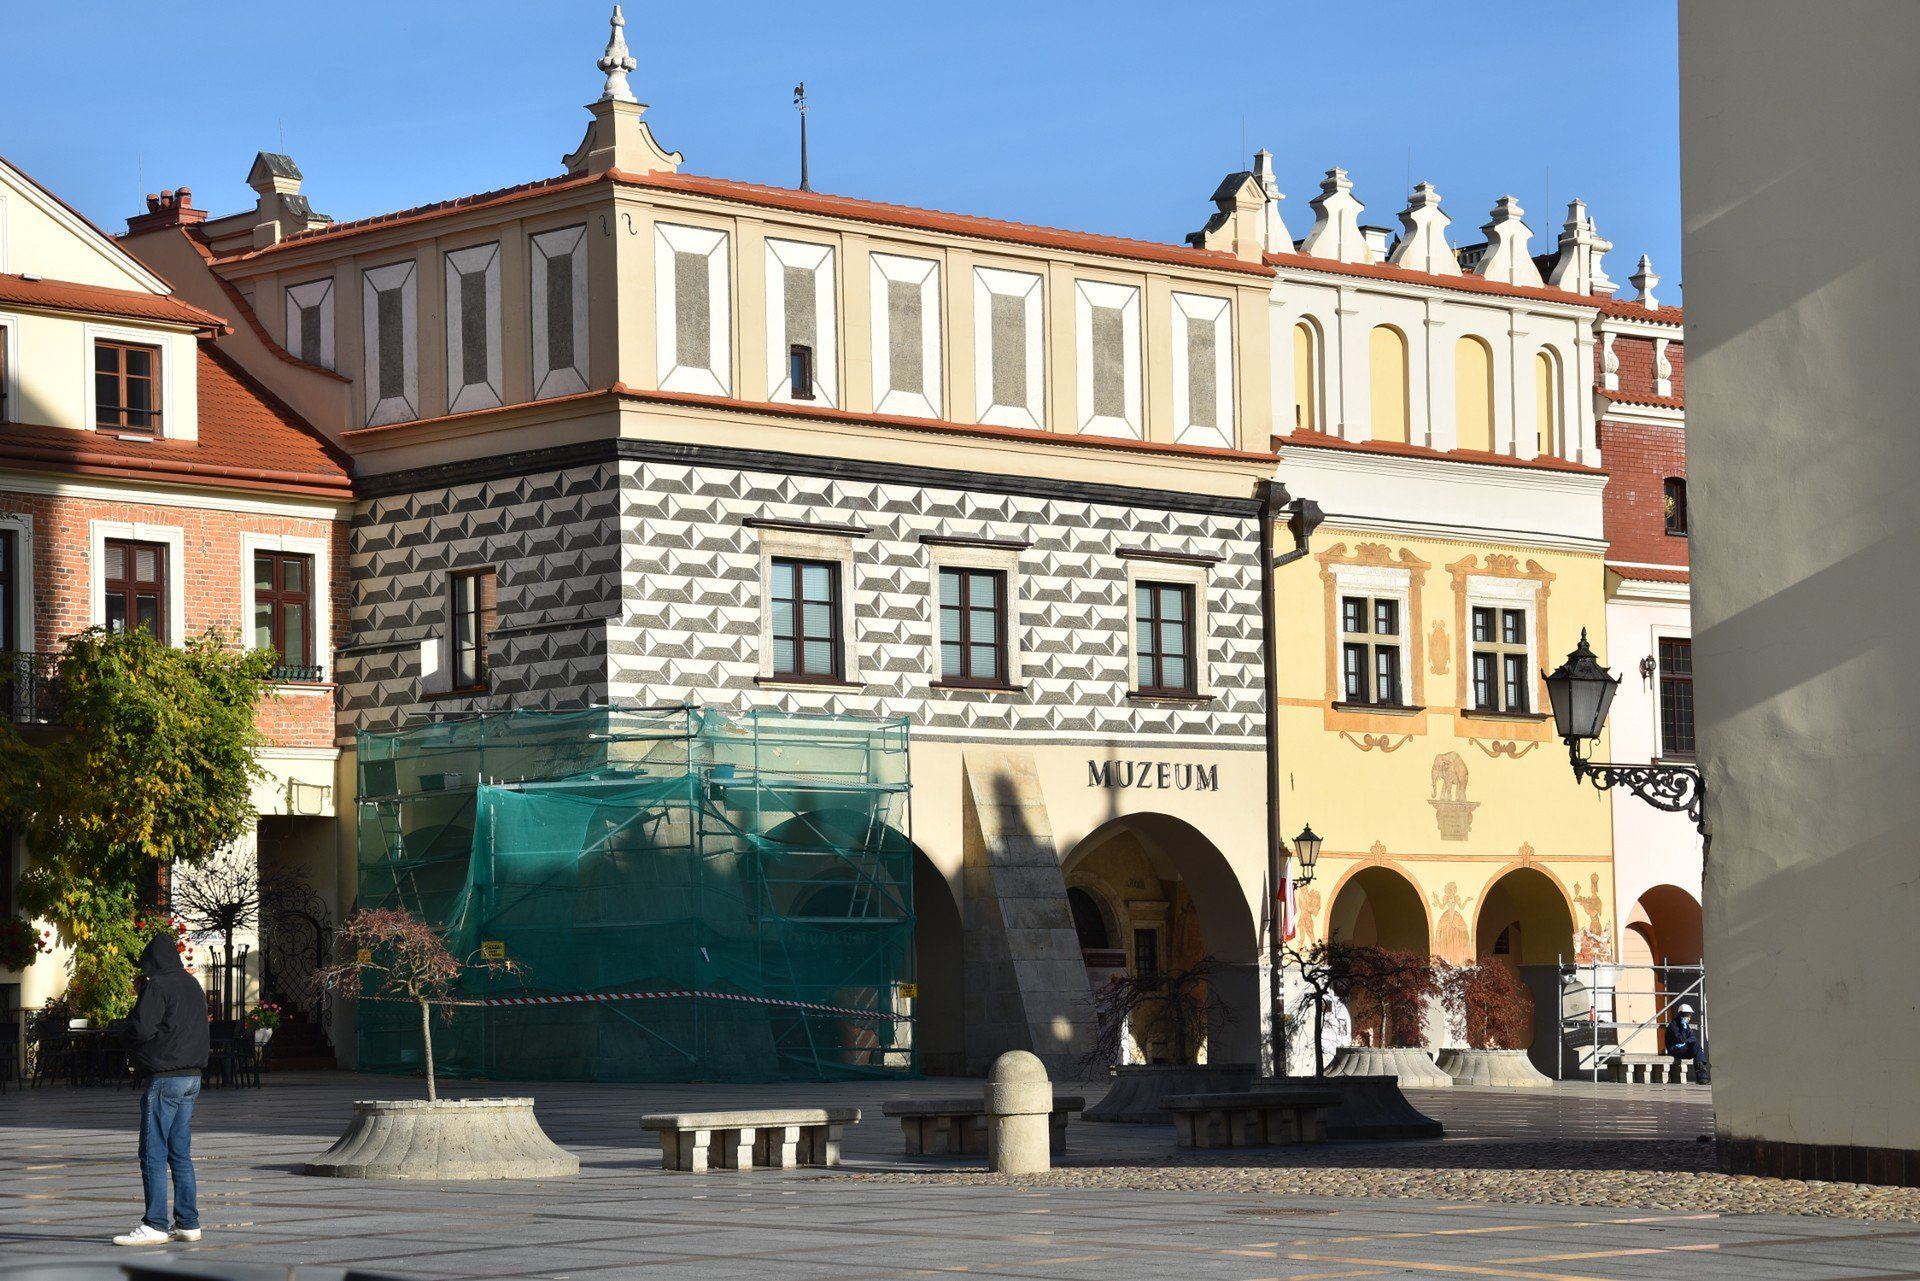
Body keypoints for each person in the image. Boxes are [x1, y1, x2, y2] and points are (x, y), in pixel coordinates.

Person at [112, 933, 209, 1247]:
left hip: (166, 1077)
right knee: (180, 1153)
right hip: (192, 1077)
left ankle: (154, 1224)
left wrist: (122, 1036)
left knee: (153, 1152)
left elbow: (142, 1027)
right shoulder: (192, 984)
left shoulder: (158, 985)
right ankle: (188, 1223)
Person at [1666, 1000, 1710, 1084]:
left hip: (1683, 1049)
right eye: (1687, 1015)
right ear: (1681, 1015)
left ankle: (1702, 1074)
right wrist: (1683, 1029)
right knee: (1697, 1049)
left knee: (1696, 1046)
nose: (1689, 1018)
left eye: (1690, 1015)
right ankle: (1702, 1076)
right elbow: (1680, 1040)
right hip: (1675, 1050)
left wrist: (1686, 1039)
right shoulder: (1673, 1025)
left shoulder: (1686, 1026)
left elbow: (1693, 1038)